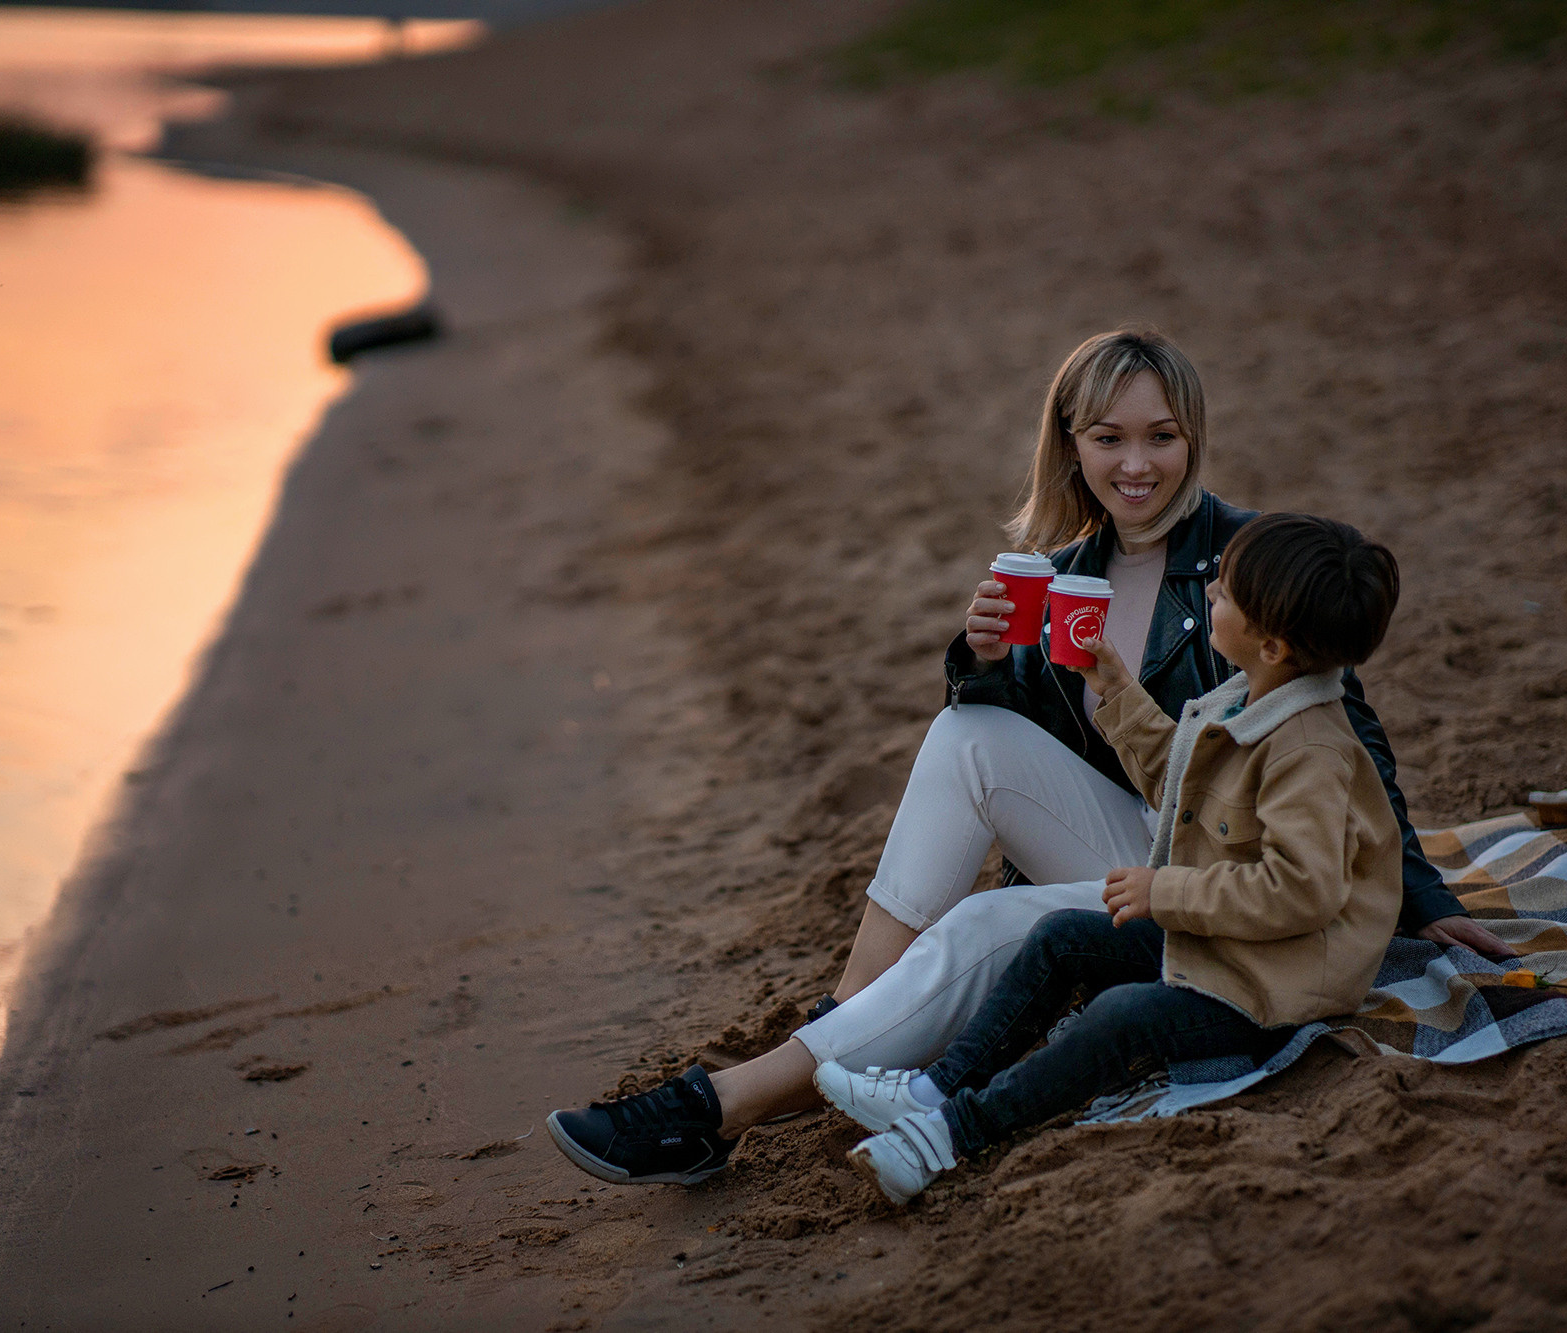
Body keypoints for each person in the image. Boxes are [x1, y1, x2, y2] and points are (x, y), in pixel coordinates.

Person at [544, 328, 1509, 1189]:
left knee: (988, 923)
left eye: (1162, 437)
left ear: (1193, 438)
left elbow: (1350, 744)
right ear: (1072, 444)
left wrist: (1430, 903)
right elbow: (1036, 751)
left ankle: (727, 1104)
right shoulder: (1064, 570)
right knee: (967, 733)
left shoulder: (1244, 564)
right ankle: (850, 1010)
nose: (1138, 465)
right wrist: (984, 657)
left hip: (1211, 862)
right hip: (1155, 829)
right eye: (1110, 439)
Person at [818, 511, 1404, 1203]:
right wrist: (1116, 690)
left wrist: (1168, 892)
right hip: (1232, 943)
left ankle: (951, 1134)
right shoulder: (1250, 694)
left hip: (1275, 986)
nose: (1211, 586)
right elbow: (1181, 782)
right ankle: (932, 1088)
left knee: (1120, 1015)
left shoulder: (1309, 750)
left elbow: (1300, 891)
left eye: (1227, 592)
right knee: (1064, 937)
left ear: (1273, 642)